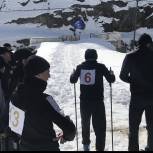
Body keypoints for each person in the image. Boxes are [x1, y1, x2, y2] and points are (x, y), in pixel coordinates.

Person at [10, 55, 76, 151]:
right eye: (47, 72)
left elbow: (13, 128)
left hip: (25, 147)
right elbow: (70, 129)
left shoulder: (15, 96)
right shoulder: (45, 100)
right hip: (47, 147)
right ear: (38, 74)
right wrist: (66, 136)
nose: (49, 76)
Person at [70, 49, 115, 151]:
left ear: (85, 57)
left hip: (84, 102)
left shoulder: (80, 67)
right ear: (96, 56)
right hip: (98, 102)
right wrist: (111, 73)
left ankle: (86, 146)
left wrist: (73, 74)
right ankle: (100, 148)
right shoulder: (101, 67)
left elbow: (72, 80)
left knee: (85, 124)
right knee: (100, 127)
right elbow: (111, 79)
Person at [120, 33, 153, 151]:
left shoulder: (130, 57)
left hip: (136, 97)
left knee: (133, 127)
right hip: (152, 98)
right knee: (152, 126)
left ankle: (133, 149)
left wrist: (133, 81)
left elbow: (122, 76)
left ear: (139, 43)